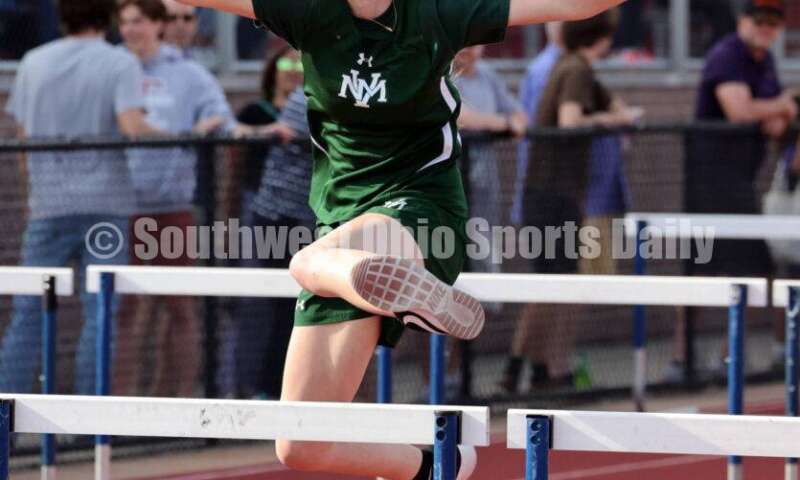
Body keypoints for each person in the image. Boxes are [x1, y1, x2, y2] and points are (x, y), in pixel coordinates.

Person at [176, 1, 626, 478]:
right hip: (344, 225)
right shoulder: (307, 10)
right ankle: (435, 466)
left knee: (307, 261)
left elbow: (578, 5)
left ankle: (386, 283)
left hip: (420, 208)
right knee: (302, 444)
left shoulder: (437, 12)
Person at [1, 0, 160, 394]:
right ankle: (91, 424)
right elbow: (132, 126)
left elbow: (21, 137)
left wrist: (33, 193)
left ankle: (5, 418)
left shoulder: (33, 62)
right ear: (106, 17)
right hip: (106, 205)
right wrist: (188, 133)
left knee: (28, 311)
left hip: (48, 204)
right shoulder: (119, 62)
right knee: (100, 311)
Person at [502, 11, 642, 393]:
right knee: (551, 284)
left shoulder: (578, 68)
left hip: (557, 194)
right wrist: (608, 121)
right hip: (550, 194)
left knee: (556, 283)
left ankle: (540, 368)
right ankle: (520, 369)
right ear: (601, 38)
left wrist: (614, 113)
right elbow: (570, 120)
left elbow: (612, 106)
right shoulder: (574, 70)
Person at [112, 0, 237, 398]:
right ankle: (116, 411)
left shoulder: (189, 73)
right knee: (124, 308)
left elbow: (224, 121)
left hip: (172, 205)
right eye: (126, 22)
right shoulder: (110, 66)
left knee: (179, 305)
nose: (134, 30)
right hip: (118, 208)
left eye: (141, 21)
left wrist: (209, 127)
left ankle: (178, 406)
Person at [674, 0, 795, 380]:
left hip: (741, 180)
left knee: (752, 271)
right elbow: (740, 111)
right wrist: (780, 104)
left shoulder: (766, 62)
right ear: (744, 20)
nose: (766, 29)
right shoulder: (727, 54)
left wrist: (778, 111)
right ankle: (683, 360)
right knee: (701, 269)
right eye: (759, 21)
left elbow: (773, 126)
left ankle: (730, 359)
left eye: (773, 23)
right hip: (709, 181)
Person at [226, 48, 305, 399]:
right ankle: (263, 389)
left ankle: (281, 388)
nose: (293, 70)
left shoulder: (317, 97)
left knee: (295, 306)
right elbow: (233, 142)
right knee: (277, 305)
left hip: (307, 218)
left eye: (300, 64)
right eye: (287, 63)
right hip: (272, 216)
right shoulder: (278, 108)